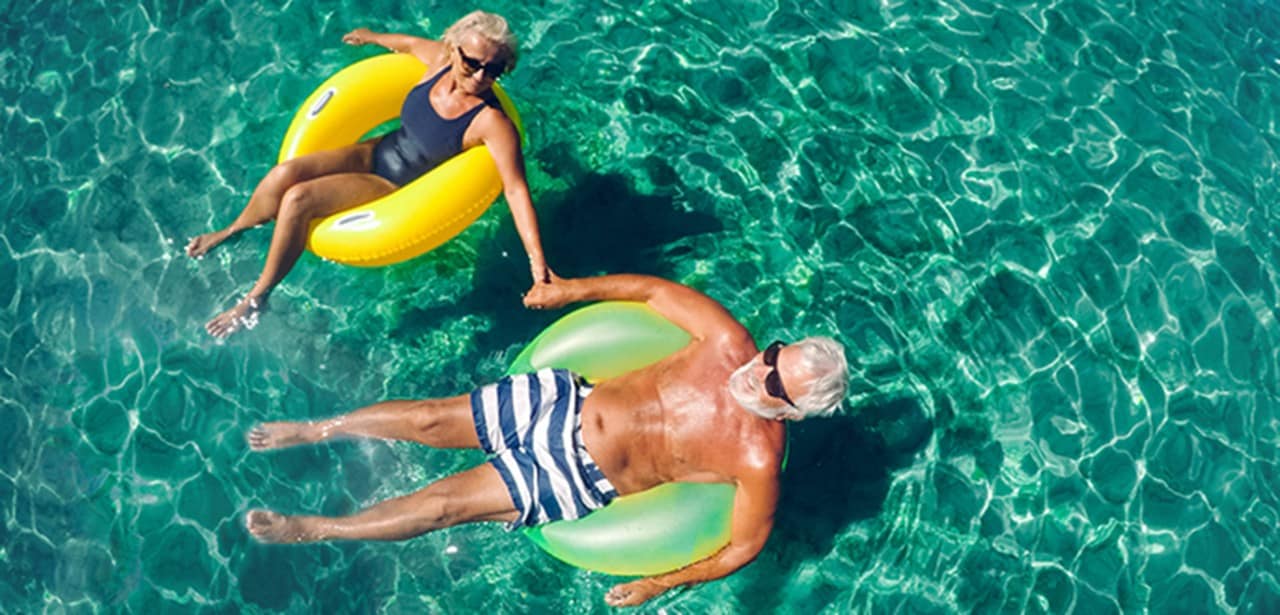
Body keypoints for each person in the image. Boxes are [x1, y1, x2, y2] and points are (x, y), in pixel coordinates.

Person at [243, 272, 849, 607]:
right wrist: (570, 290)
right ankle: (320, 428)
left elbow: (742, 550)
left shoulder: (756, 459)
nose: (759, 370)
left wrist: (657, 584)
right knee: (430, 418)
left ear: (793, 412)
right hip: (566, 399)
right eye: (774, 355)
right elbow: (652, 294)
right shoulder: (728, 344)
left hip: (579, 476)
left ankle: (317, 528)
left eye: (775, 381)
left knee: (442, 507)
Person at [187, 11, 549, 338]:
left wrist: (538, 267)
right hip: (375, 151)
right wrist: (371, 35)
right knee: (286, 173)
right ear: (454, 49)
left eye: (495, 69)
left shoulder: (492, 122)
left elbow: (516, 191)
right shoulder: (438, 61)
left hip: (392, 184)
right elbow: (406, 44)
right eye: (473, 63)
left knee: (299, 199)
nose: (482, 76)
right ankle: (233, 230)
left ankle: (256, 297)